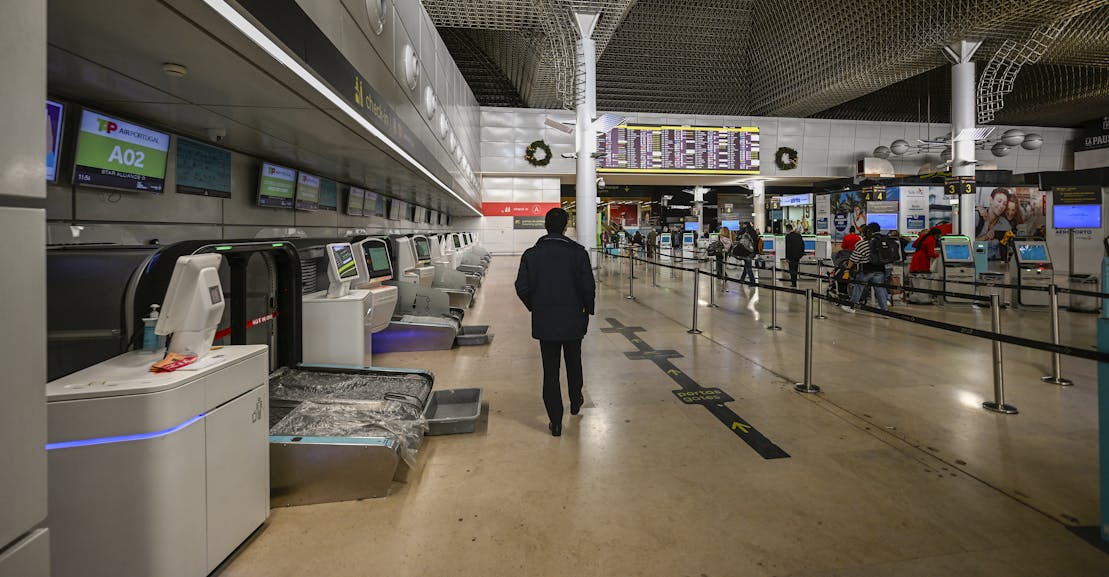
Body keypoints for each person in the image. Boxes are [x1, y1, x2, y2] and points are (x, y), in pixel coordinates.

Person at [515, 208, 596, 437]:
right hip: (573, 321)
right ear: (566, 227)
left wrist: (536, 306)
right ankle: (576, 399)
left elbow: (521, 287)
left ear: (545, 226)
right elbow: (588, 287)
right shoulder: (578, 253)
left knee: (550, 371)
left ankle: (556, 422)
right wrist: (586, 312)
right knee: (574, 362)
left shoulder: (531, 255)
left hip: (545, 321)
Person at [841, 223, 889, 313]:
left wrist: (847, 269)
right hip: (880, 269)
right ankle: (884, 310)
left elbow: (853, 258)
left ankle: (852, 306)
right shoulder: (883, 242)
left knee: (859, 287)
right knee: (880, 289)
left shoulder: (863, 243)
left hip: (866, 270)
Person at [783, 224, 803, 288]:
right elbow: (802, 245)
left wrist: (787, 257)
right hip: (797, 256)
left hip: (791, 256)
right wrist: (801, 254)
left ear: (788, 229)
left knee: (792, 270)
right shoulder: (798, 235)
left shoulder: (788, 236)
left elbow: (788, 247)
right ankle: (795, 282)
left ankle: (793, 283)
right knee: (796, 269)